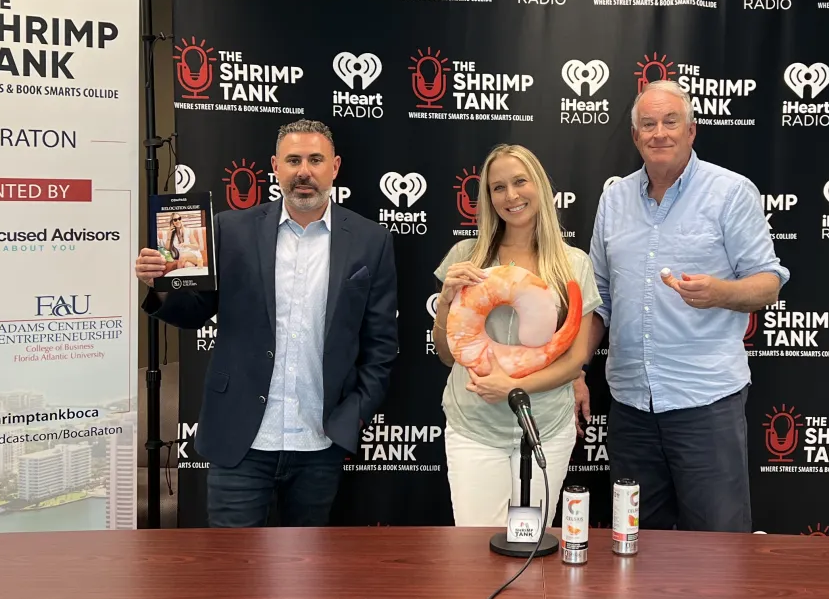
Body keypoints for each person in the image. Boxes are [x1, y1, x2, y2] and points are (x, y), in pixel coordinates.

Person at [135, 119, 398, 528]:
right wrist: (162, 285)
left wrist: (356, 414)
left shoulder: (370, 240)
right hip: (241, 440)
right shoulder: (229, 230)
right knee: (232, 574)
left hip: (320, 442)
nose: (303, 171)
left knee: (306, 579)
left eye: (315, 159)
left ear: (335, 167)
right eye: (293, 160)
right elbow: (193, 312)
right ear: (275, 167)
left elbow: (380, 342)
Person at [585, 80, 787, 533]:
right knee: (635, 545)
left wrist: (720, 293)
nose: (659, 133)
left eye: (670, 121)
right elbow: (599, 298)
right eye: (648, 124)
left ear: (691, 130)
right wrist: (575, 369)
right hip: (631, 407)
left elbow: (768, 282)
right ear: (636, 137)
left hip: (705, 404)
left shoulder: (730, 192)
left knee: (716, 552)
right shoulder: (613, 199)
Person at [432, 144, 601, 528]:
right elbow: (446, 354)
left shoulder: (573, 264)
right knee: (476, 550)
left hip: (545, 430)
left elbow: (574, 360)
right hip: (475, 428)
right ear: (488, 198)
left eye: (520, 182)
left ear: (539, 186)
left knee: (531, 549)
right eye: (498, 187)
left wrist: (510, 386)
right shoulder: (467, 256)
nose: (511, 196)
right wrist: (445, 299)